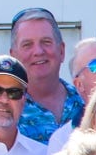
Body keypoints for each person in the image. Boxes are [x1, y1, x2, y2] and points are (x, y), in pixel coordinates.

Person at [10, 8, 79, 141]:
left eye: (46, 42)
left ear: (62, 51)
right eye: (27, 45)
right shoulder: (6, 113)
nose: (38, 51)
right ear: (14, 57)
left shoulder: (87, 104)